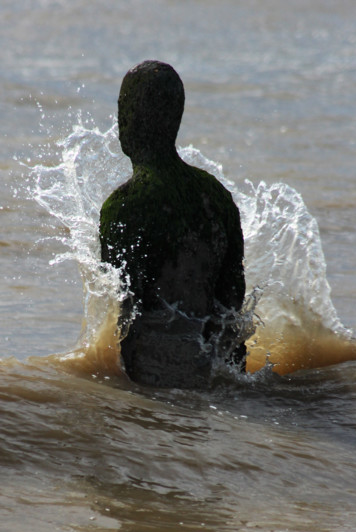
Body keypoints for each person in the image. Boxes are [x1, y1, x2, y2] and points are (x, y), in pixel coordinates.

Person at [100, 60, 246, 388]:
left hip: (151, 388)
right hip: (212, 383)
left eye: (122, 110)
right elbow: (232, 315)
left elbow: (121, 318)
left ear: (129, 118)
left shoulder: (125, 206)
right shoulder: (218, 199)